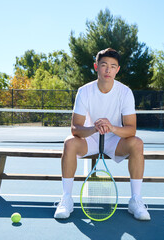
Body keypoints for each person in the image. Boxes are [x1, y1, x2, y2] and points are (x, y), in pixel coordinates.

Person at [54, 48, 150, 221]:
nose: (108, 70)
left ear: (118, 70)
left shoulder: (125, 92)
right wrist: (94, 129)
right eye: (104, 65)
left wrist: (112, 128)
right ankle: (66, 198)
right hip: (90, 139)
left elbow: (131, 129)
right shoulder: (84, 91)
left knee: (137, 143)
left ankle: (135, 200)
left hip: (115, 139)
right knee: (69, 143)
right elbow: (75, 128)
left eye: (113, 66)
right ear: (96, 67)